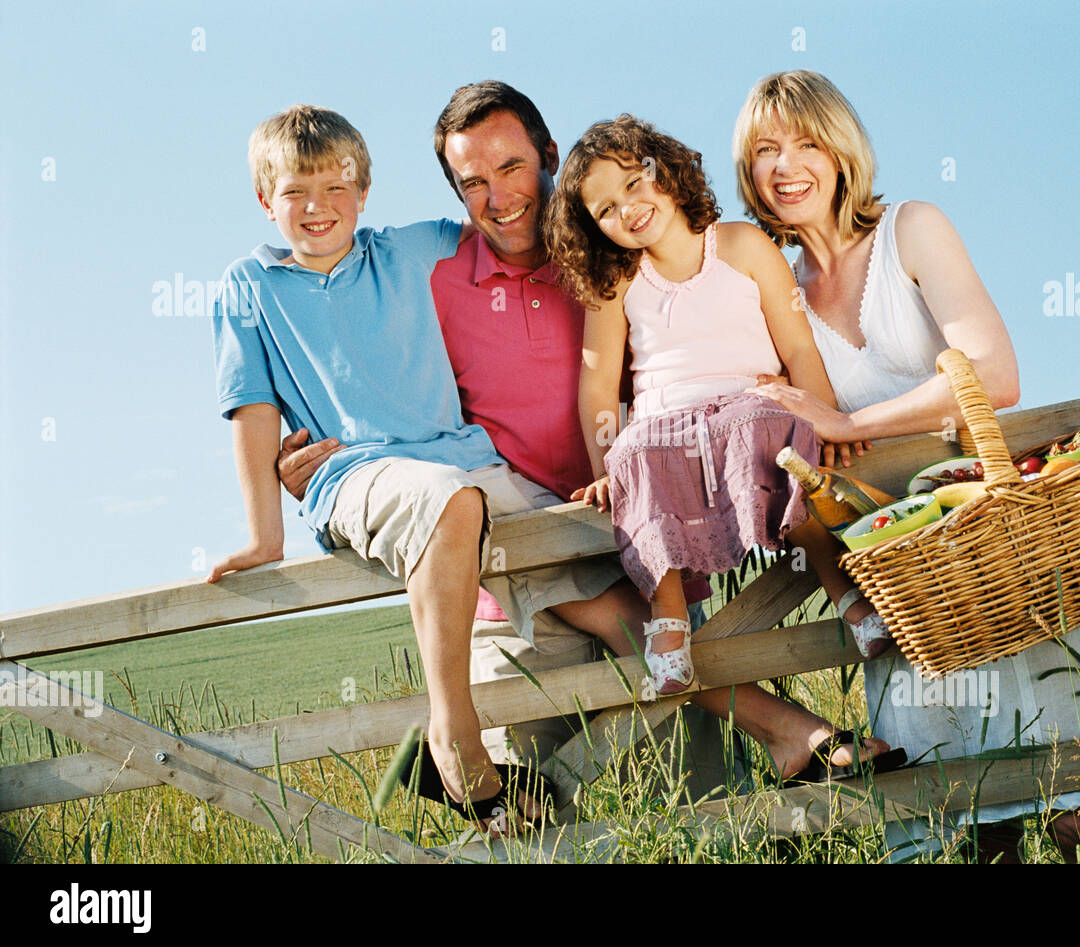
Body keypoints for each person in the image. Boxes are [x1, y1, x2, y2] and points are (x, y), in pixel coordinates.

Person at [276, 82, 890, 787]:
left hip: (656, 574)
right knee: (536, 820)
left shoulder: (623, 260)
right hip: (517, 596)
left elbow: (726, 351)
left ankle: (789, 737)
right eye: (472, 183)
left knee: (711, 814)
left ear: (550, 158)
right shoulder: (433, 277)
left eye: (511, 169)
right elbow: (352, 358)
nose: (498, 197)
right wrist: (316, 464)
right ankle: (792, 735)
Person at [737, 70, 1080, 861]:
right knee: (978, 821)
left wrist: (850, 421)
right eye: (765, 149)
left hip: (1000, 552)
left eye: (806, 141)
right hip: (908, 588)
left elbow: (993, 369)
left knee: (1079, 805)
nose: (786, 165)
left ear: (842, 151)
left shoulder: (911, 228)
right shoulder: (770, 292)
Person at [208, 104, 551, 837]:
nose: (318, 206)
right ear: (265, 200)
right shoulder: (251, 284)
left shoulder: (413, 248)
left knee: (602, 578)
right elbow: (252, 407)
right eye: (296, 191)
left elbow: (515, 228)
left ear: (365, 192)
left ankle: (787, 734)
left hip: (463, 457)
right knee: (445, 501)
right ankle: (453, 739)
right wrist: (265, 536)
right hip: (354, 473)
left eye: (338, 187)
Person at [542, 113, 894, 741]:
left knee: (770, 423)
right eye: (604, 209)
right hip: (666, 429)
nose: (627, 209)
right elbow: (598, 389)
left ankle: (846, 594)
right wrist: (606, 475)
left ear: (664, 170)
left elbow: (799, 350)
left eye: (633, 182)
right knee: (636, 448)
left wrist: (832, 418)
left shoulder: (741, 246)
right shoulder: (615, 283)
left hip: (745, 407)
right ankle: (668, 617)